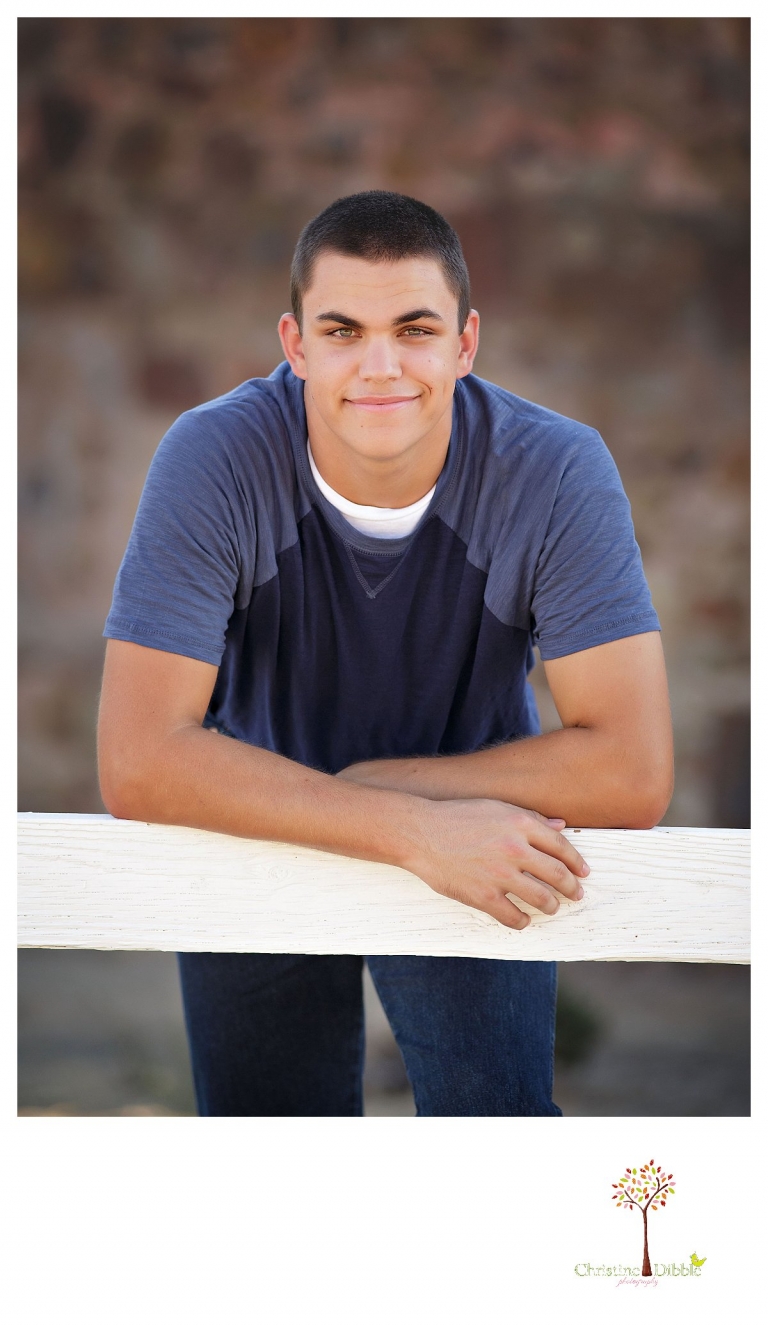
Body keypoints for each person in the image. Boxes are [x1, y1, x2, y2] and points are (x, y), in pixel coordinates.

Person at [97, 190, 673, 1117]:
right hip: (258, 831)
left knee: (496, 1145)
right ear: (293, 345)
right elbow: (136, 761)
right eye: (341, 330)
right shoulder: (213, 456)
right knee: (273, 1171)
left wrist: (387, 793)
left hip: (475, 841)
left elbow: (634, 769)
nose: (380, 366)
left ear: (465, 343)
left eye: (414, 330)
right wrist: (404, 826)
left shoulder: (556, 470)